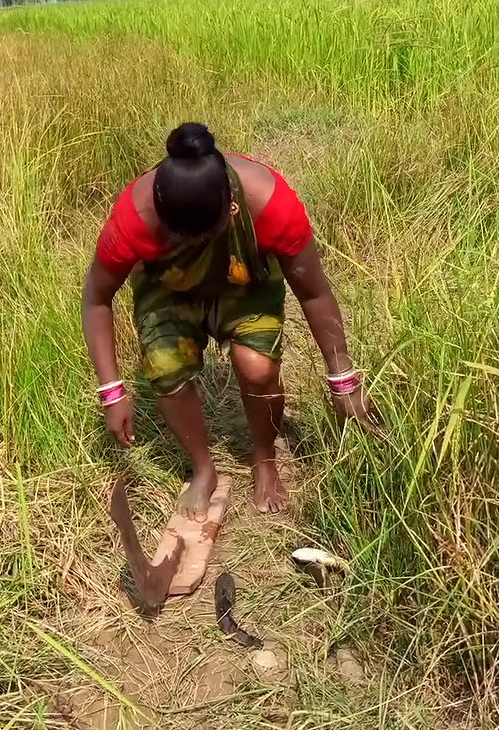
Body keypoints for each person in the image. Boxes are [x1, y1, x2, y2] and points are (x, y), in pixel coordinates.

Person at [81, 122, 382, 521]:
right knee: (166, 368)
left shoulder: (270, 203)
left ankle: (264, 459)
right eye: (179, 239)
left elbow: (314, 292)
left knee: (257, 367)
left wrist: (343, 380)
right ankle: (203, 470)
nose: (191, 247)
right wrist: (112, 391)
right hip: (169, 291)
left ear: (233, 210)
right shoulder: (136, 216)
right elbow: (96, 299)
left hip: (245, 281)